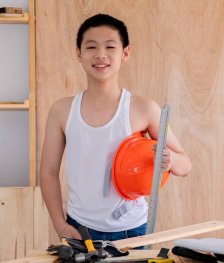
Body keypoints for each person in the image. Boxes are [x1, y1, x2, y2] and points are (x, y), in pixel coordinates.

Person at [40, 14, 192, 241]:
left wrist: (171, 160)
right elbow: (48, 172)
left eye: (110, 46)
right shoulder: (62, 111)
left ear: (125, 53)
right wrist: (60, 225)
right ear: (78, 54)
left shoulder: (144, 109)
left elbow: (185, 164)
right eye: (91, 47)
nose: (100, 55)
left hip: (133, 231)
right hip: (79, 230)